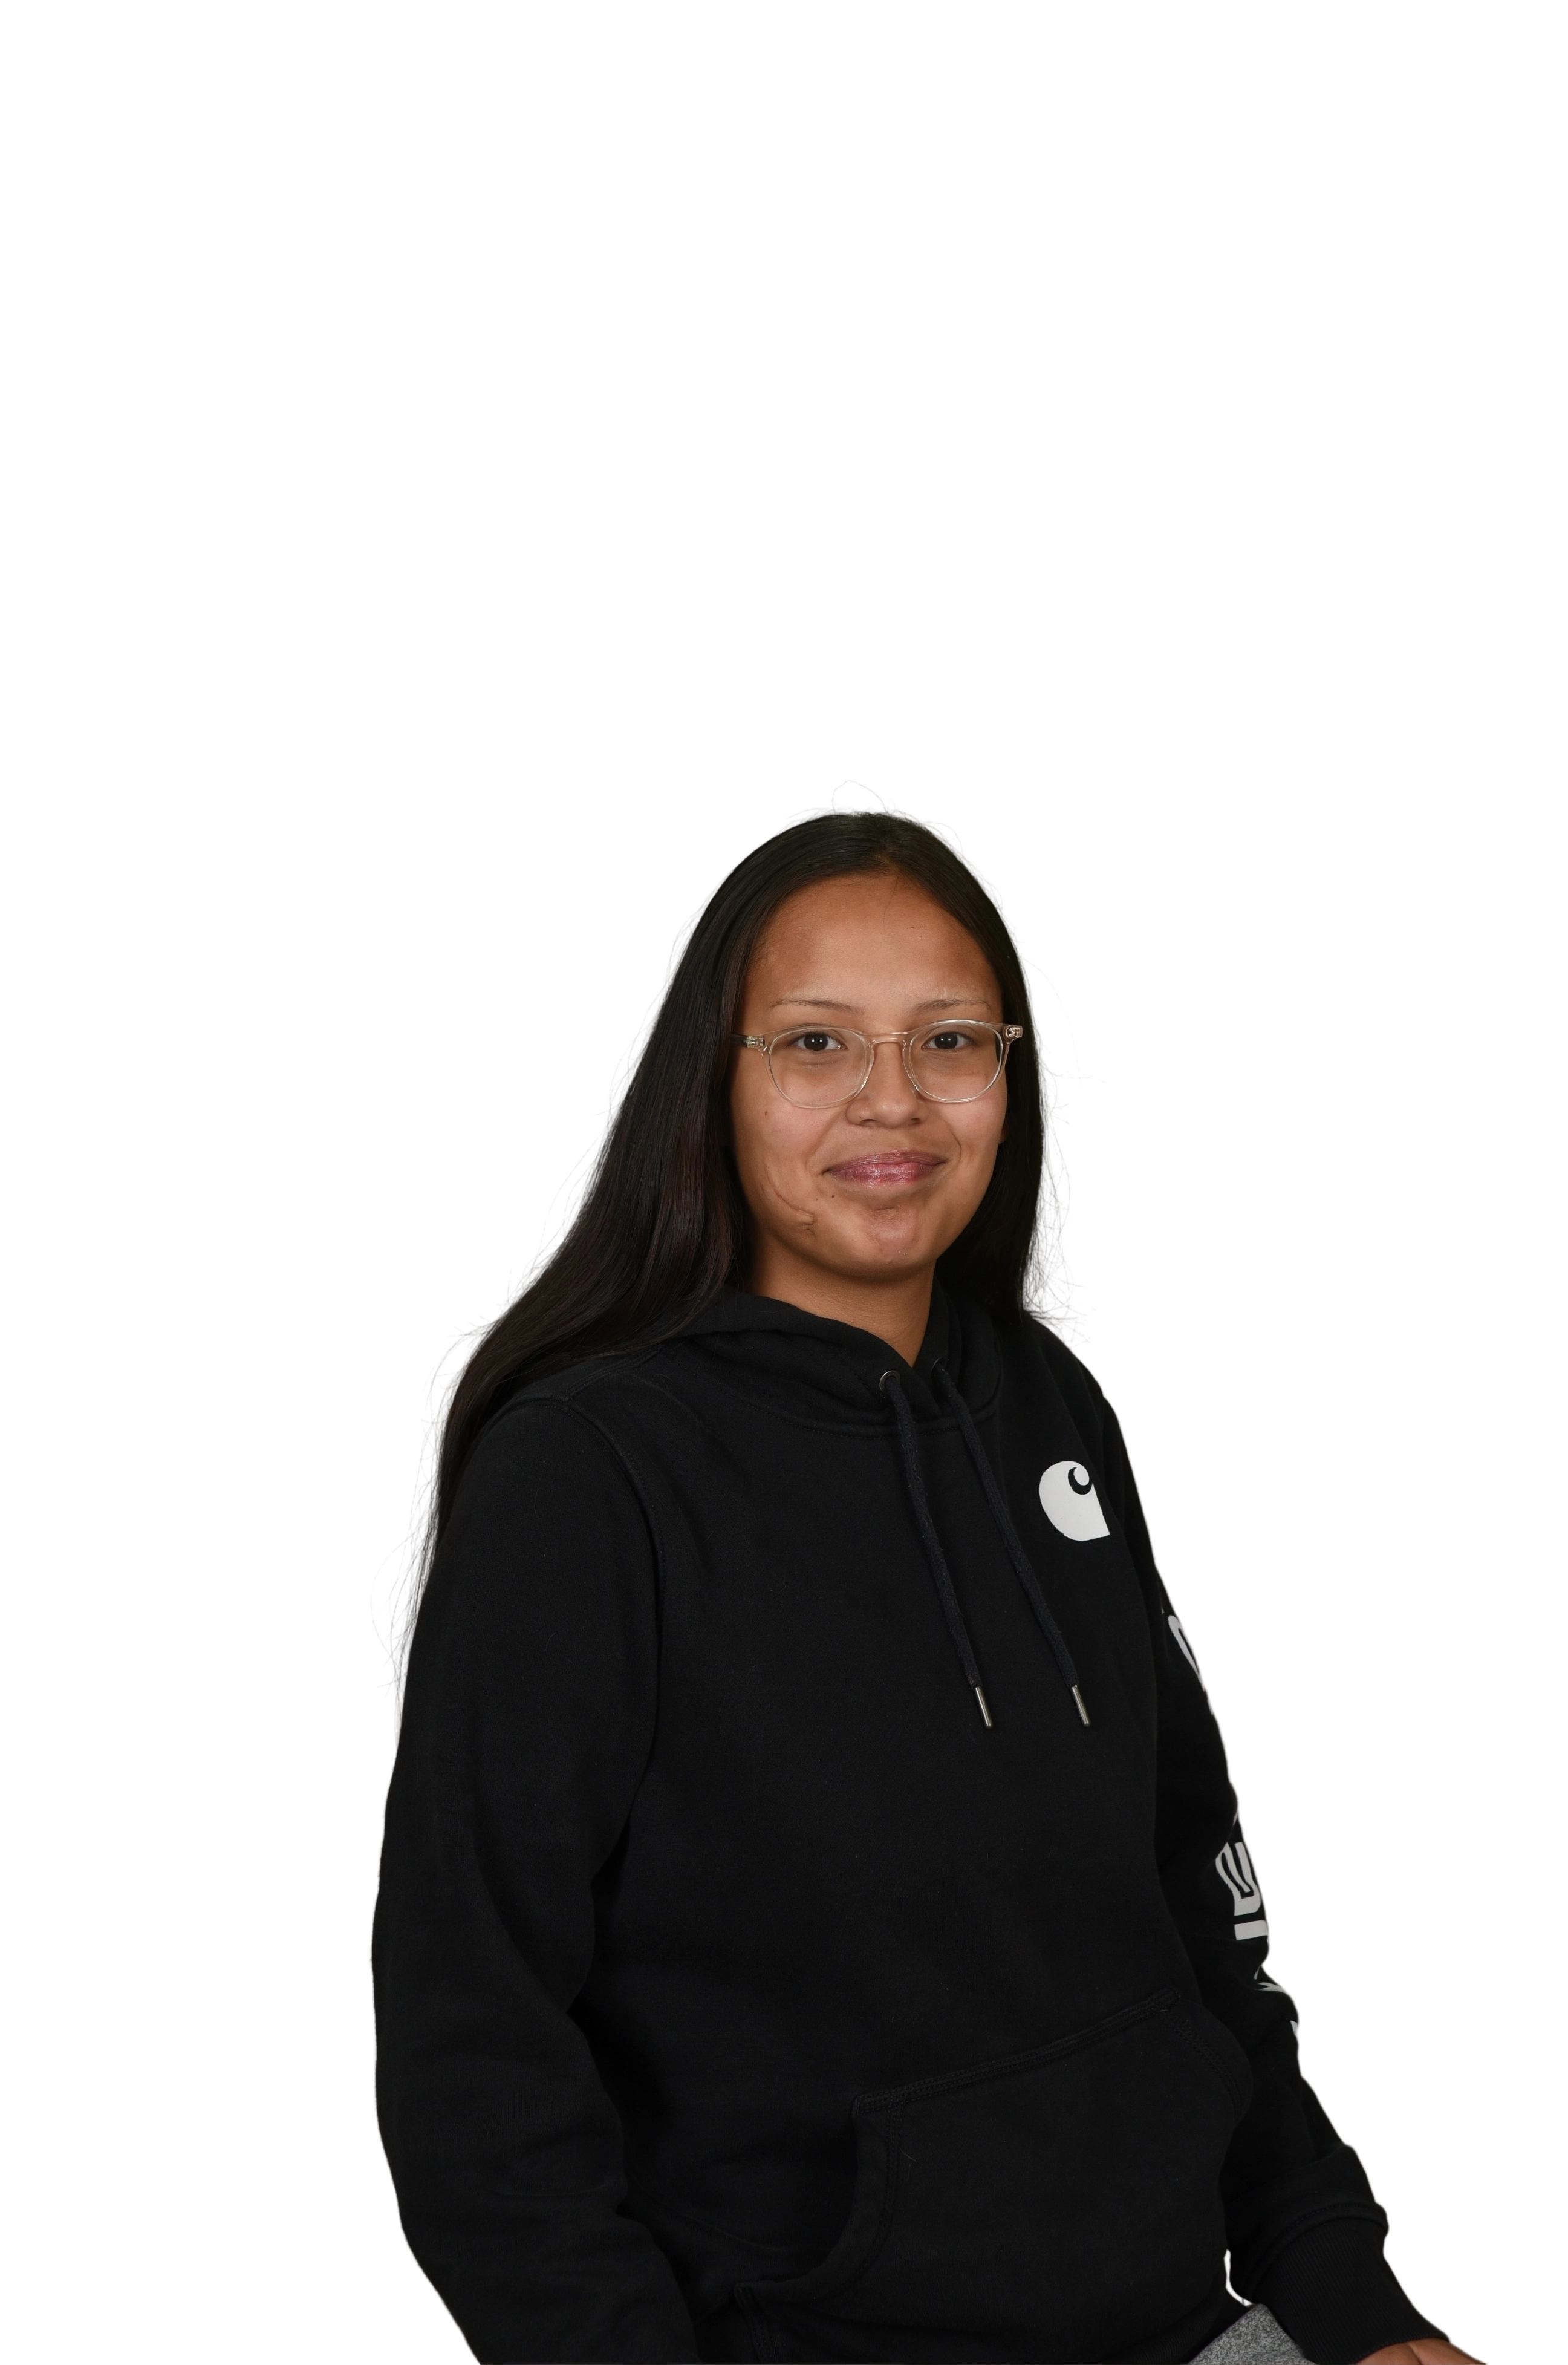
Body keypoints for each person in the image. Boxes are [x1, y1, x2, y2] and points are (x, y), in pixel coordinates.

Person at [366, 785, 1482, 2365]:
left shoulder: (1053, 1413)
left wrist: (1352, 2303)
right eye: (816, 1042)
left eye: (950, 1040)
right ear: (713, 1081)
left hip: (1196, 2318)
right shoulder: (588, 1475)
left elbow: (1202, 1918)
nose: (891, 1101)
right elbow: (470, 2043)